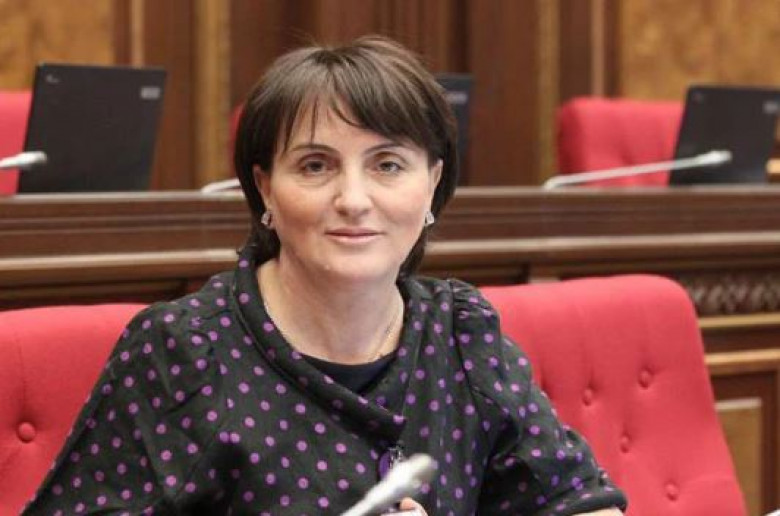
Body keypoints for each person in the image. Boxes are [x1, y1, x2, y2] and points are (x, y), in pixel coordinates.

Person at [23, 36, 626, 515]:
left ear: (433, 183)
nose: (353, 199)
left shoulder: (462, 335)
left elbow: (578, 500)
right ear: (265, 187)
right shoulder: (183, 351)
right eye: (316, 166)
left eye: (388, 165)